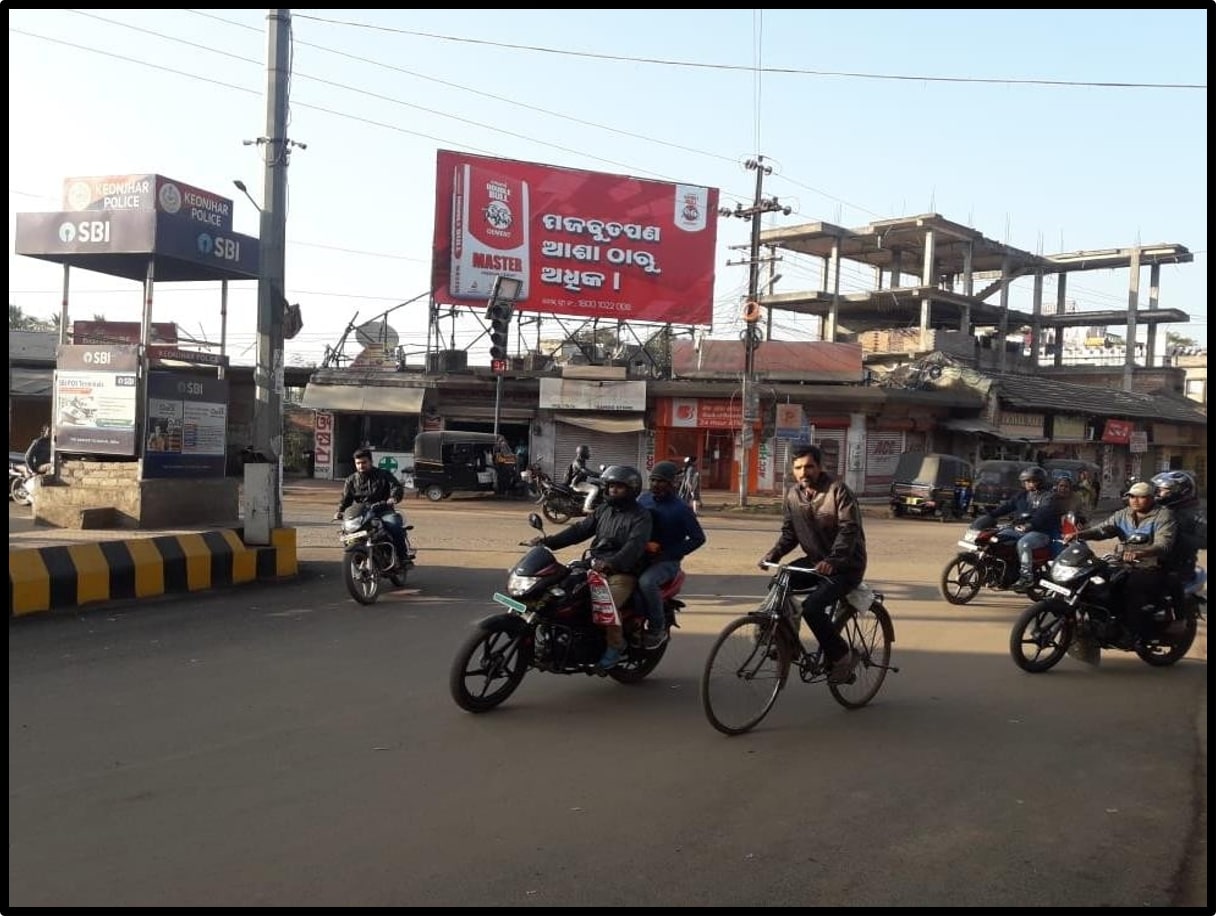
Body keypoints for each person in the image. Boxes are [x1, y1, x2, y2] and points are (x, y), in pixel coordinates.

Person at [758, 443, 866, 685]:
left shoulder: (838, 491)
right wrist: (772, 556)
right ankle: (789, 642)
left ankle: (842, 657)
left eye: (809, 466)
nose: (803, 472)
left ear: (819, 467)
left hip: (846, 565)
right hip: (817, 561)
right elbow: (789, 534)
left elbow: (849, 530)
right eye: (798, 468)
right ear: (792, 470)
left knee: (812, 608)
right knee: (780, 583)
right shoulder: (793, 495)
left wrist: (834, 560)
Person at [528, 464, 652, 669]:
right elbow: (579, 531)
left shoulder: (641, 516)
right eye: (611, 486)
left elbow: (634, 547)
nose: (613, 490)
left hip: (622, 573)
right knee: (555, 593)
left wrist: (612, 563)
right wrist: (547, 542)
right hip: (593, 565)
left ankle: (616, 646)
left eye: (619, 487)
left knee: (604, 605)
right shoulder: (604, 509)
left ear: (631, 490)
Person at [1064, 481, 1176, 640]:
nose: (1135, 501)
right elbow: (1102, 530)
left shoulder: (1163, 515)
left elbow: (1163, 544)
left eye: (1141, 497)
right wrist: (1079, 535)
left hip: (1152, 566)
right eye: (1132, 497)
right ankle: (1100, 622)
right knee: (1095, 582)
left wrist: (1140, 553)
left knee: (1130, 588)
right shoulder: (1123, 514)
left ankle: (1132, 631)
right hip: (1123, 562)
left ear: (1151, 498)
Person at [636, 461, 707, 649]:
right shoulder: (643, 499)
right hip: (639, 555)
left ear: (672, 484)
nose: (655, 485)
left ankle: (656, 628)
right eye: (653, 480)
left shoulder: (681, 509)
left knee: (646, 582)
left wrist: (668, 553)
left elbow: (698, 538)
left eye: (661, 481)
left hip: (666, 562)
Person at [988, 466, 1064, 592]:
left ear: (1040, 481)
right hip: (1019, 529)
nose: (1027, 484)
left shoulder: (1048, 497)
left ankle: (1026, 577)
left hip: (1040, 532)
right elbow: (1007, 506)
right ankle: (1002, 572)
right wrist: (990, 515)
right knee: (997, 538)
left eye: (1030, 481)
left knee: (1024, 544)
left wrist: (1030, 525)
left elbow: (1043, 514)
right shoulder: (1022, 495)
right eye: (1026, 481)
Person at [333, 447, 411, 569]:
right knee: (348, 531)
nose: (361, 466)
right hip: (362, 513)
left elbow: (396, 487)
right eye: (358, 463)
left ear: (371, 462)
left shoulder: (384, 475)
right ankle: (358, 557)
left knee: (394, 525)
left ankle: (403, 557)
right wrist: (340, 511)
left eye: (364, 462)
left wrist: (393, 498)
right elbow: (345, 499)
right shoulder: (351, 480)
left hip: (383, 511)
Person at [1151, 470, 1207, 620]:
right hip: (1152, 558)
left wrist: (1179, 537)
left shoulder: (1195, 515)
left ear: (1180, 492)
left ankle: (1179, 620)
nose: (1158, 493)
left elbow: (1204, 540)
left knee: (1167, 579)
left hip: (1178, 564)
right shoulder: (1160, 510)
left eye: (1163, 490)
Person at [563, 444, 599, 514]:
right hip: (576, 484)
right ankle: (586, 507)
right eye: (588, 452)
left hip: (579, 482)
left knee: (595, 484)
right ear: (583, 453)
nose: (589, 454)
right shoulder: (577, 462)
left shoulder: (581, 461)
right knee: (595, 489)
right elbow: (585, 471)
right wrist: (598, 475)